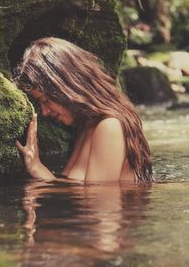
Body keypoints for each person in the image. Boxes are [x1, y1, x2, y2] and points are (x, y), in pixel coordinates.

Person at [14, 37, 152, 183]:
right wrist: (37, 167)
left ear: (66, 87)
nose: (44, 112)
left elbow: (98, 201)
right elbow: (79, 188)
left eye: (46, 100)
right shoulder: (87, 124)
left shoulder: (110, 126)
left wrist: (37, 169)